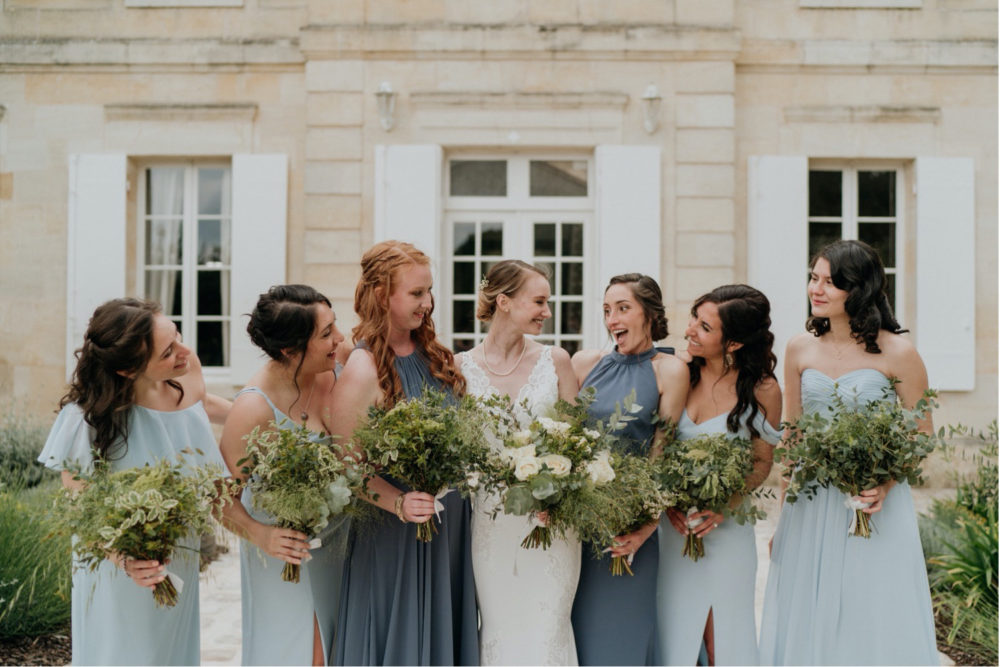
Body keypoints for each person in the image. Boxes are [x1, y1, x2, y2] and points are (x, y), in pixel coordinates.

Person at [759, 239, 939, 665]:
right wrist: (784, 518)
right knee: (809, 605)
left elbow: (923, 434)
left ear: (858, 289)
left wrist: (884, 483)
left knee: (869, 604)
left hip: (873, 502)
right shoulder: (799, 348)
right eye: (813, 278)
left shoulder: (900, 352)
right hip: (811, 501)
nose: (816, 289)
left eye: (829, 282)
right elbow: (794, 436)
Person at [37, 298, 231, 665]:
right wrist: (124, 559)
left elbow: (201, 404)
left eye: (177, 335)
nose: (185, 351)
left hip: (177, 557)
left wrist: (265, 422)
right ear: (128, 370)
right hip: (117, 567)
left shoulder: (186, 368)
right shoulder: (87, 420)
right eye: (167, 352)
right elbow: (80, 507)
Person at [330, 240, 479, 666]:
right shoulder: (363, 368)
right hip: (393, 533)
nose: (428, 303)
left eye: (429, 291)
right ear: (382, 295)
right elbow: (347, 464)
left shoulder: (438, 359)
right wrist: (397, 501)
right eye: (416, 293)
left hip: (447, 526)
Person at [458, 260, 580, 666]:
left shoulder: (556, 360)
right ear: (504, 301)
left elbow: (576, 443)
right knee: (500, 628)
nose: (548, 311)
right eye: (539, 301)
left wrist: (559, 498)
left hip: (551, 520)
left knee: (548, 628)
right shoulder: (459, 368)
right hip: (491, 522)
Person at [218, 284, 348, 666]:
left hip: (342, 546)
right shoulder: (253, 410)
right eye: (326, 334)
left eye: (335, 326)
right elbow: (221, 499)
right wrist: (261, 535)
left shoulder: (333, 375)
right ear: (290, 350)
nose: (340, 339)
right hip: (285, 553)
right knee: (302, 653)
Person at [657, 285, 782, 666]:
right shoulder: (676, 372)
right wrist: (667, 503)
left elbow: (761, 462)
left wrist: (724, 504)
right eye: (694, 318)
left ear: (734, 343)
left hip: (727, 529)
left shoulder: (763, 389)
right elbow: (655, 448)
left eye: (705, 327)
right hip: (673, 530)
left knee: (722, 642)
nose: (690, 330)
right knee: (673, 635)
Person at [570, 273, 688, 666]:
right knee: (578, 636)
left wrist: (643, 529)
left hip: (631, 526)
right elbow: (563, 441)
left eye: (623, 308)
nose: (612, 319)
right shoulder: (584, 363)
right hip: (578, 526)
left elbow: (662, 456)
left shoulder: (670, 370)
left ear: (649, 314)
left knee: (624, 635)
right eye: (607, 310)